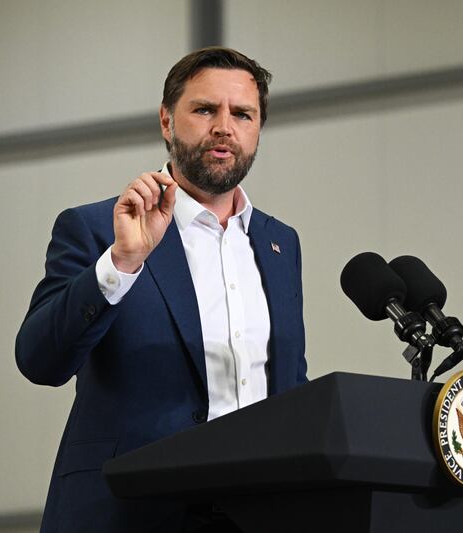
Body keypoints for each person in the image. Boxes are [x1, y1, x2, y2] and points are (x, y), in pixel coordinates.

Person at [16, 47, 308, 532]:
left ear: (258, 130)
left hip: (256, 515)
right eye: (204, 109)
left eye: (242, 114)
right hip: (130, 513)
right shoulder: (96, 228)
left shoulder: (281, 244)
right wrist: (121, 262)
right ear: (167, 122)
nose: (224, 127)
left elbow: (289, 389)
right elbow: (38, 360)